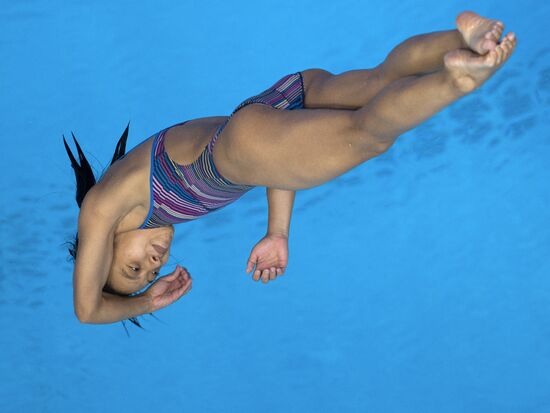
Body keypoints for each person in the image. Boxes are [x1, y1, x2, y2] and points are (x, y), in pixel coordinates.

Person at [64, 10, 517, 327]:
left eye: (132, 268)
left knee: (369, 136)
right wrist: (277, 231)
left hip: (237, 145)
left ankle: (455, 80)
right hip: (268, 107)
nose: (153, 266)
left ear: (103, 247)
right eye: (148, 274)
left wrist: (144, 303)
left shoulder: (104, 208)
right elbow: (272, 159)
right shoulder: (148, 200)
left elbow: (87, 311)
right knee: (379, 81)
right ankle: (469, 38)